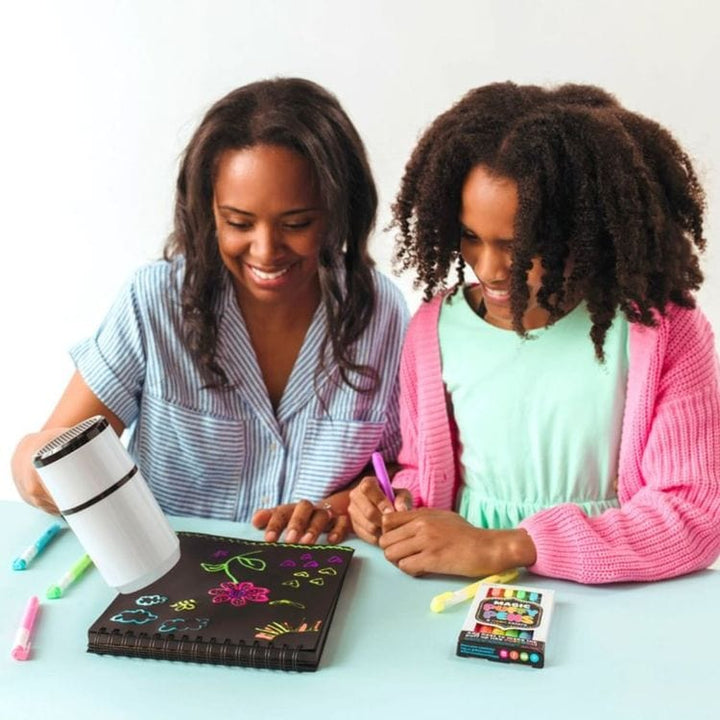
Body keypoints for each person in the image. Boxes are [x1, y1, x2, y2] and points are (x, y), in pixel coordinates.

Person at [348, 82, 720, 583]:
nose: (490, 268)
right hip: (464, 592)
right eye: (471, 237)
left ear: (585, 232)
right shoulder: (433, 331)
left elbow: (693, 514)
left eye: (520, 247)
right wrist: (397, 505)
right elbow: (427, 474)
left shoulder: (658, 331)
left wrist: (505, 546)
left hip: (614, 597)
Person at [12, 77, 408, 545]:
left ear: (339, 211)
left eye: (297, 223)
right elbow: (43, 454)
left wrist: (335, 508)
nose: (266, 250)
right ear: (208, 211)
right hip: (164, 570)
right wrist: (40, 471)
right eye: (238, 223)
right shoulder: (155, 301)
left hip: (307, 572)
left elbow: (396, 470)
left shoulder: (380, 313)